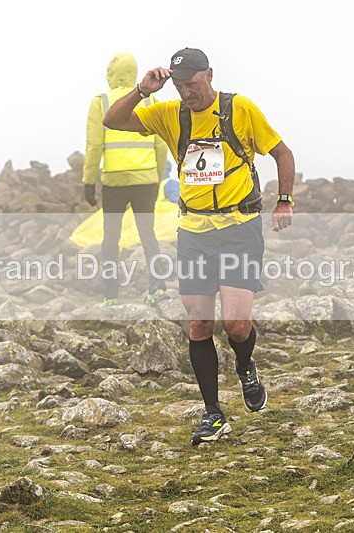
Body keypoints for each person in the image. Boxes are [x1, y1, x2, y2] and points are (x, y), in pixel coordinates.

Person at [104, 48, 295, 445]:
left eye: (191, 83)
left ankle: (245, 367)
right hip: (193, 233)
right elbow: (113, 120)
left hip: (239, 228)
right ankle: (214, 414)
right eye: (179, 85)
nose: (186, 92)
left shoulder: (239, 109)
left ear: (209, 74)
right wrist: (143, 90)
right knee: (199, 324)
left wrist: (284, 200)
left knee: (236, 326)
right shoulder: (169, 114)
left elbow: (282, 153)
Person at [83, 52, 169, 307]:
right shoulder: (149, 99)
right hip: (146, 180)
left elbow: (94, 144)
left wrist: (89, 181)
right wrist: (157, 176)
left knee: (111, 238)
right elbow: (161, 144)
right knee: (148, 234)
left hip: (114, 183)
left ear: (110, 73)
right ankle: (158, 287)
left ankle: (111, 295)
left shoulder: (101, 101)